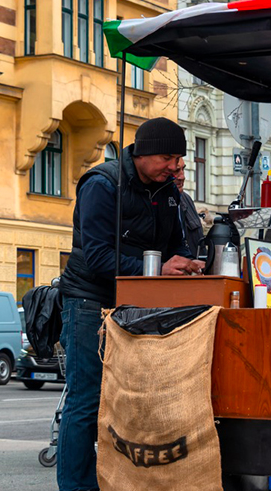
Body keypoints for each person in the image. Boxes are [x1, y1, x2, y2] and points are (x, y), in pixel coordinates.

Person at [57, 117, 204, 491]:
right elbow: (96, 257)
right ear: (144, 153)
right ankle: (77, 487)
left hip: (138, 304)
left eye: (179, 158)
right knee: (86, 400)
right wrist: (155, 270)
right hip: (89, 300)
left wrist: (188, 261)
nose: (176, 166)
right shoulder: (102, 184)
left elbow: (176, 244)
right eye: (169, 157)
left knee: (132, 400)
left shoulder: (167, 190)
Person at [174, 159, 206, 256]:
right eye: (176, 171)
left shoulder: (186, 200)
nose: (182, 177)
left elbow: (199, 246)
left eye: (183, 169)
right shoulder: (153, 201)